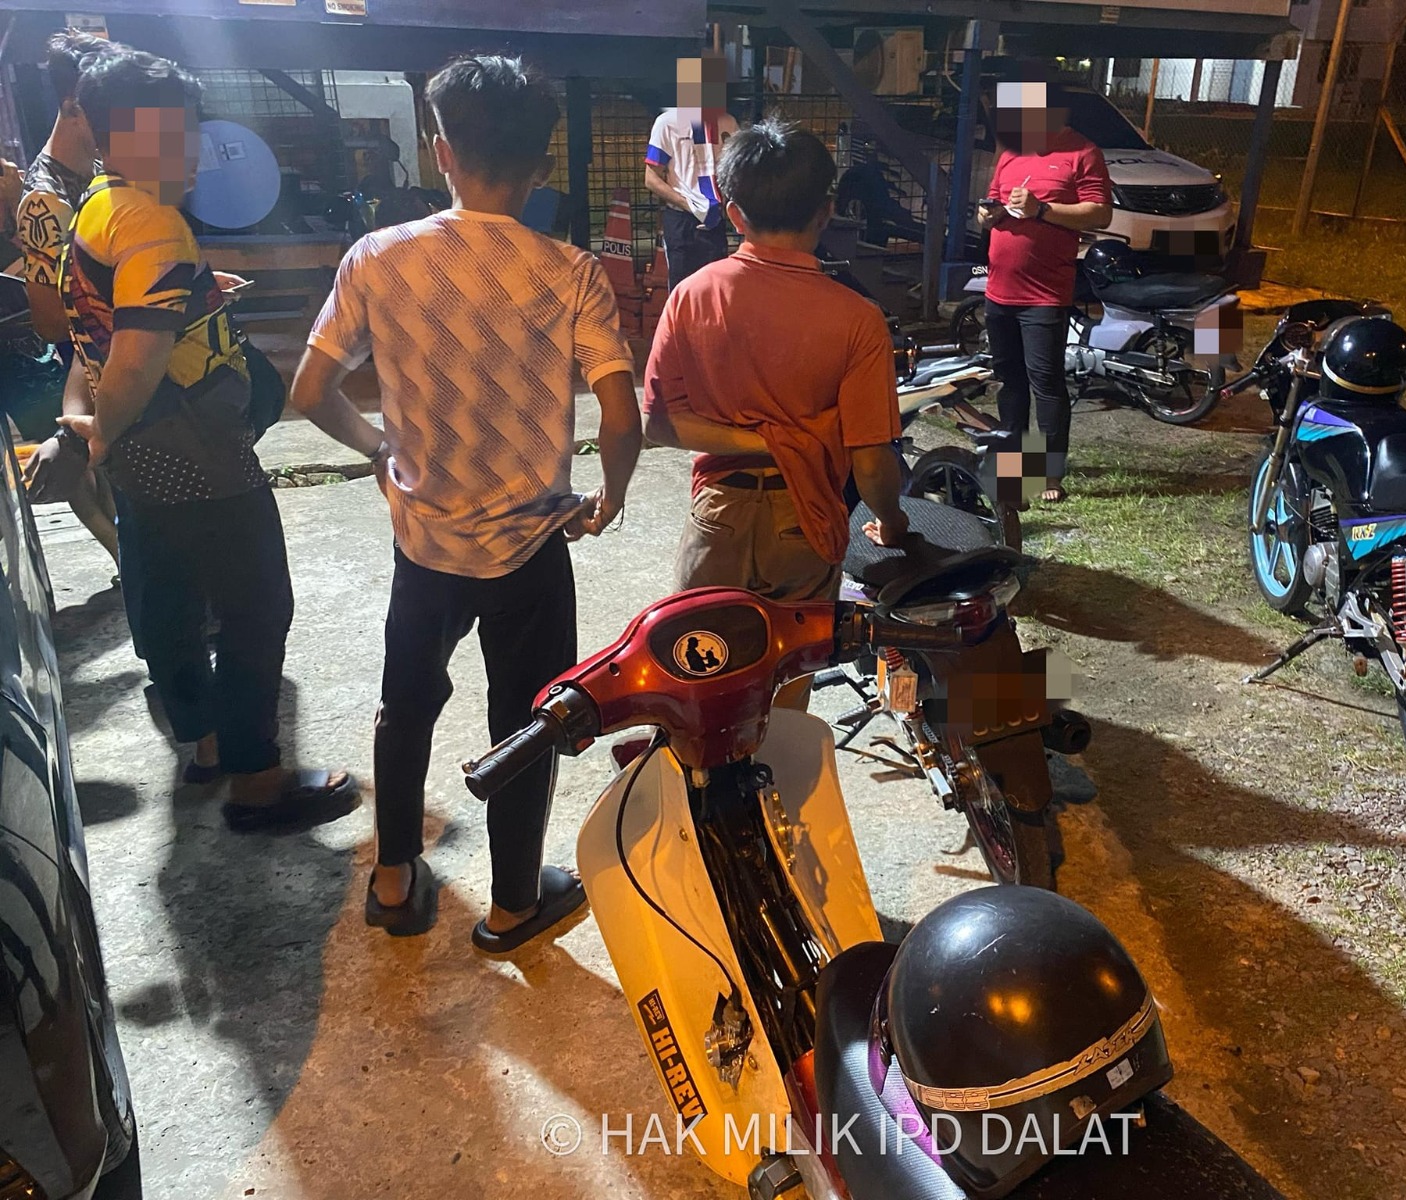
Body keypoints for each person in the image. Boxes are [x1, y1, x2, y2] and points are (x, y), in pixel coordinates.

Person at [291, 54, 642, 950]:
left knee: (405, 703)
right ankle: (514, 902)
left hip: (425, 544)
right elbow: (620, 413)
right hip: (531, 549)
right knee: (527, 720)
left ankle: (394, 876)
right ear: (542, 165)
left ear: (440, 151)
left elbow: (310, 390)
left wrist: (378, 450)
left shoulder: (378, 257)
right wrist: (611, 493)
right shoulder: (572, 272)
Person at [57, 47, 354, 824]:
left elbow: (107, 323)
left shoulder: (101, 204)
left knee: (171, 598)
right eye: (174, 132)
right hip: (195, 455)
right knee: (257, 608)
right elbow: (134, 357)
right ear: (126, 135)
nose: (191, 150)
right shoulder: (151, 222)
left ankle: (210, 743)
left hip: (149, 459)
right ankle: (258, 782)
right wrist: (101, 431)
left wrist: (192, 298)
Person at [643, 119, 909, 708]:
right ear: (827, 211)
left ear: (733, 213)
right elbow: (870, 459)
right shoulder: (858, 319)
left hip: (719, 514)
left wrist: (760, 442)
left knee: (697, 682)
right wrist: (891, 522)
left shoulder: (692, 295)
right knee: (787, 686)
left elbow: (660, 423)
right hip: (804, 519)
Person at [14, 31, 127, 569]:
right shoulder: (44, 199)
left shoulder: (97, 171)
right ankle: (126, 560)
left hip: (117, 347)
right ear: (73, 106)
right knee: (96, 473)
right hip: (83, 361)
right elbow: (53, 324)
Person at [975, 80, 1112, 504]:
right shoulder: (1011, 153)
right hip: (999, 290)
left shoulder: (1082, 152)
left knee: (1046, 384)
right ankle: (1014, 465)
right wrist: (987, 215)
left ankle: (1050, 474)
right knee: (1009, 382)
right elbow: (994, 203)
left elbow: (1100, 213)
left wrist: (1042, 210)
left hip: (1044, 293)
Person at [644, 51, 740, 290]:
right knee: (681, 288)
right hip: (681, 219)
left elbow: (735, 170)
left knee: (715, 288)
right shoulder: (668, 122)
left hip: (715, 218)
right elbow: (651, 177)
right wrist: (687, 204)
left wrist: (725, 204)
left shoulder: (728, 122)